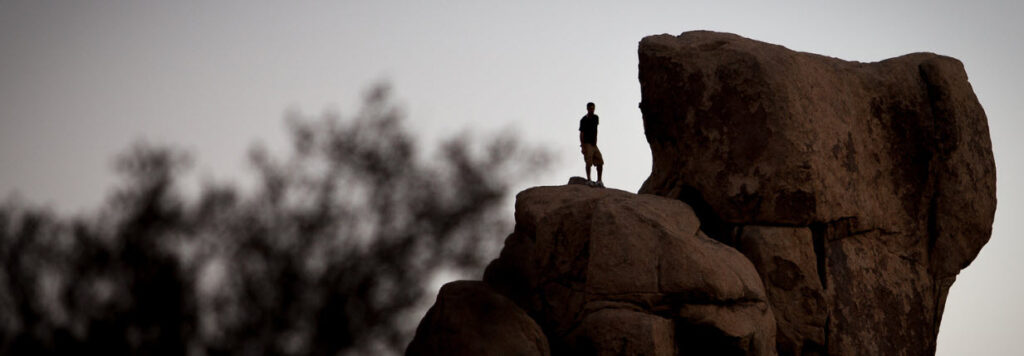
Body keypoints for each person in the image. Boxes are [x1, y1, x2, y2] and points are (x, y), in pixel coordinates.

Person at [579, 102, 604, 184]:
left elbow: (596, 129)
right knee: (588, 161)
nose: (592, 110)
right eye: (590, 108)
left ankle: (599, 180)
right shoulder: (583, 120)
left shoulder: (596, 118)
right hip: (586, 143)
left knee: (600, 161)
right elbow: (581, 133)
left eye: (593, 108)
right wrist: (582, 146)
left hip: (594, 143)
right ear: (587, 109)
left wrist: (596, 140)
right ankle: (589, 180)